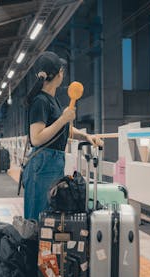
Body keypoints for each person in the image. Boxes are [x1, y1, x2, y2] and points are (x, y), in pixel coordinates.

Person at [23, 51, 103, 220]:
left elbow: (61, 129)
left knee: (49, 215)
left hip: (52, 161)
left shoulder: (52, 100)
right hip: (43, 163)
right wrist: (63, 119)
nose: (63, 73)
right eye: (61, 70)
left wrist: (86, 136)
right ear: (57, 74)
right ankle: (33, 247)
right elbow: (36, 138)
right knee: (38, 217)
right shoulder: (40, 101)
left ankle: (43, 247)